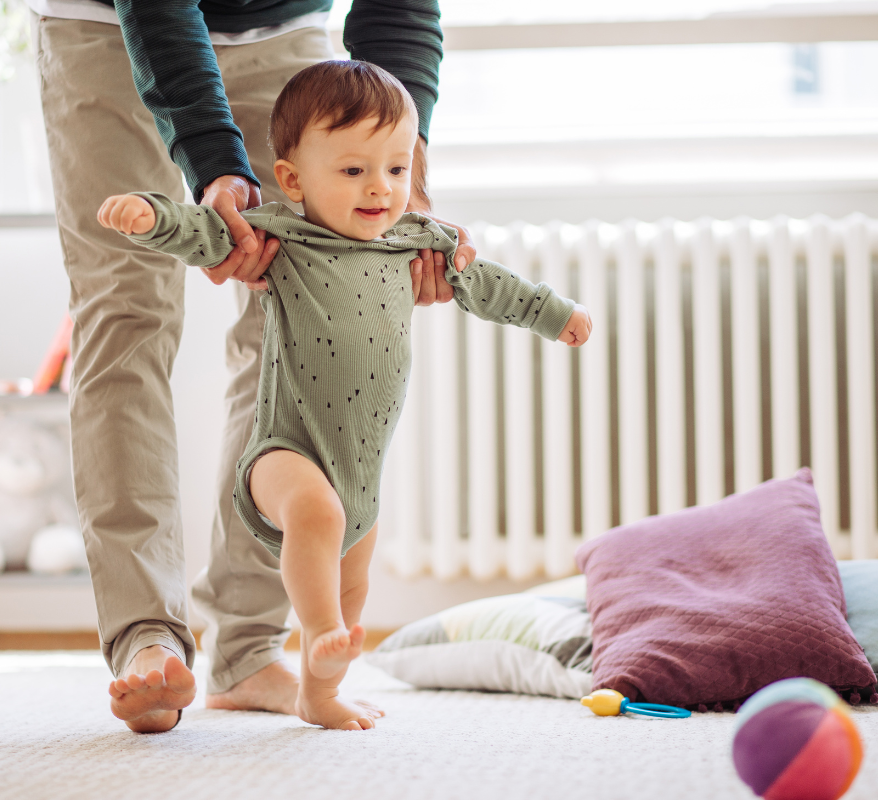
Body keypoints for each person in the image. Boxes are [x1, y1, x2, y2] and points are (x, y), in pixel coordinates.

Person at [98, 60, 594, 730]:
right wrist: (151, 217)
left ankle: (320, 690)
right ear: (294, 179)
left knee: (354, 581)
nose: (380, 189)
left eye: (395, 168)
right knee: (318, 518)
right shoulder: (285, 235)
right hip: (283, 450)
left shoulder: (417, 241)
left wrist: (553, 313)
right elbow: (205, 232)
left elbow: (491, 286)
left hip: (360, 470)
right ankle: (318, 634)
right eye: (354, 170)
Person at [31, 1, 478, 732]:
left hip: (283, 35)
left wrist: (404, 158)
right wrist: (214, 162)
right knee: (125, 314)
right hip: (103, 26)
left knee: (297, 317)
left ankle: (247, 647)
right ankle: (147, 637)